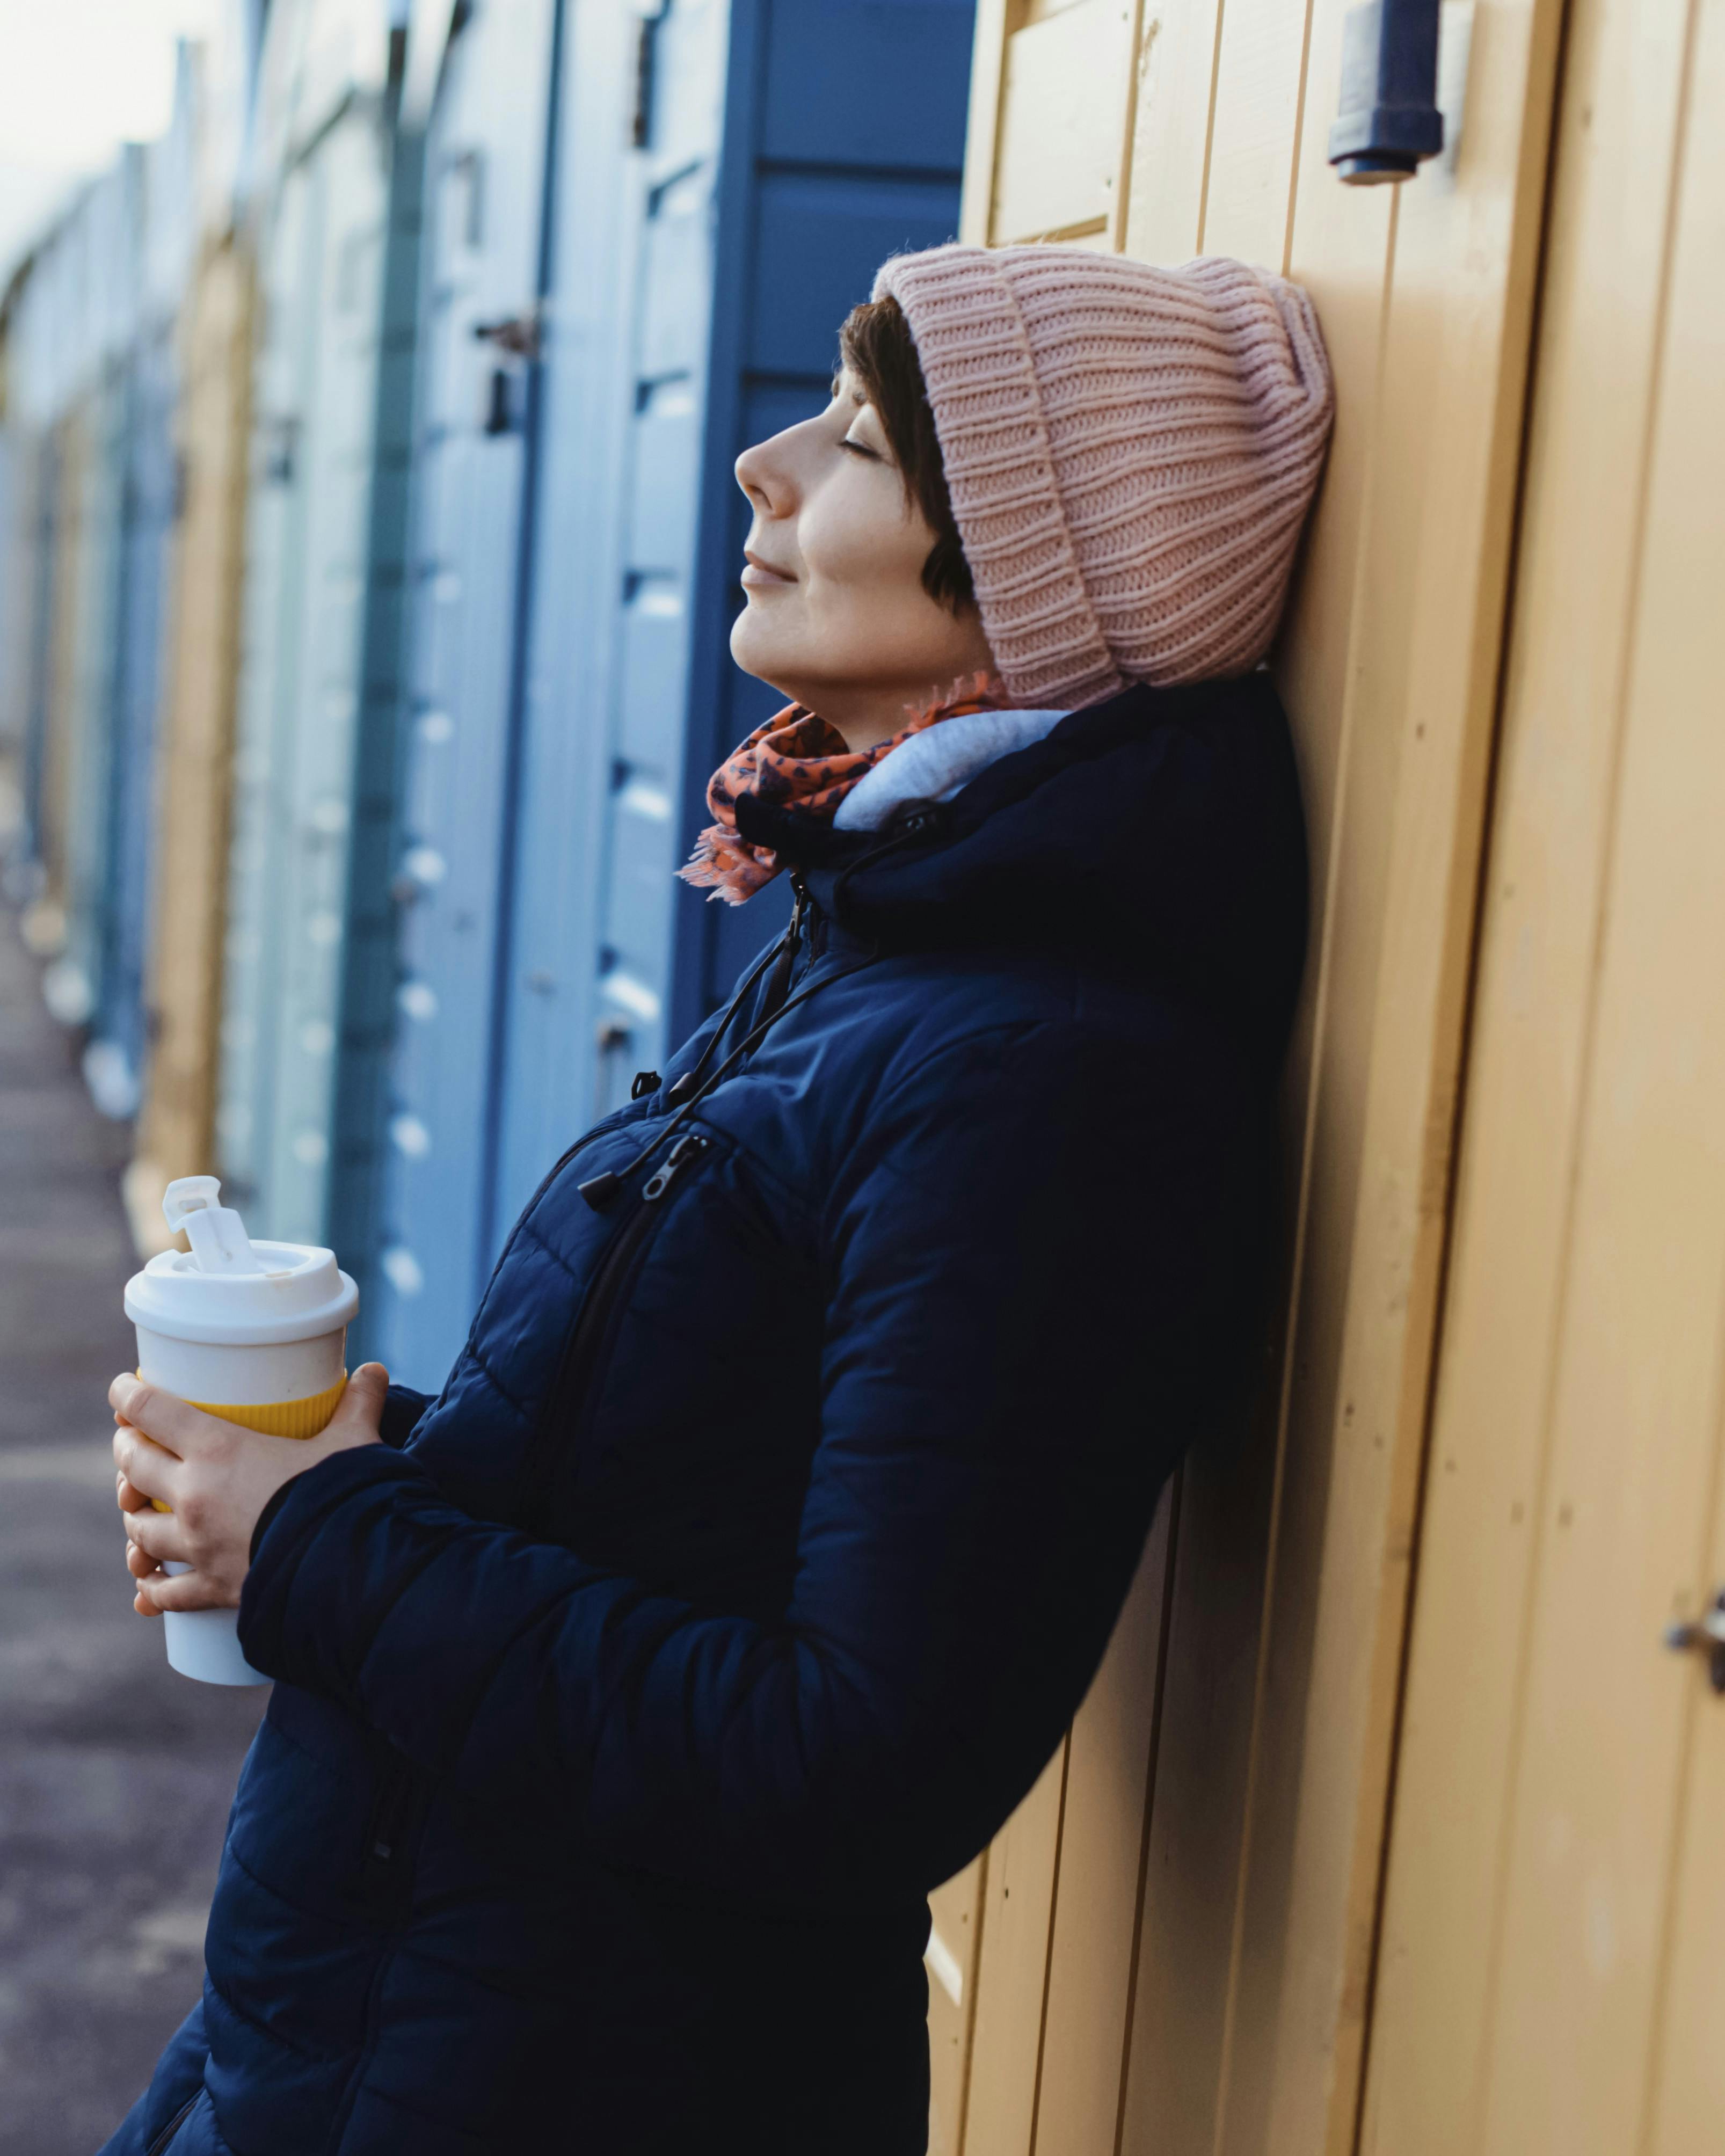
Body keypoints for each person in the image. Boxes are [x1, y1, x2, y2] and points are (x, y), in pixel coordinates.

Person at [103, 244, 1333, 2155]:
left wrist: (332, 1549)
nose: (764, 464)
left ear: (1020, 560)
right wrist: (353, 1478)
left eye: (856, 441)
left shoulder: (1052, 1077)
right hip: (372, 2040)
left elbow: (846, 1761)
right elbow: (709, 1503)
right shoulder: (885, 929)